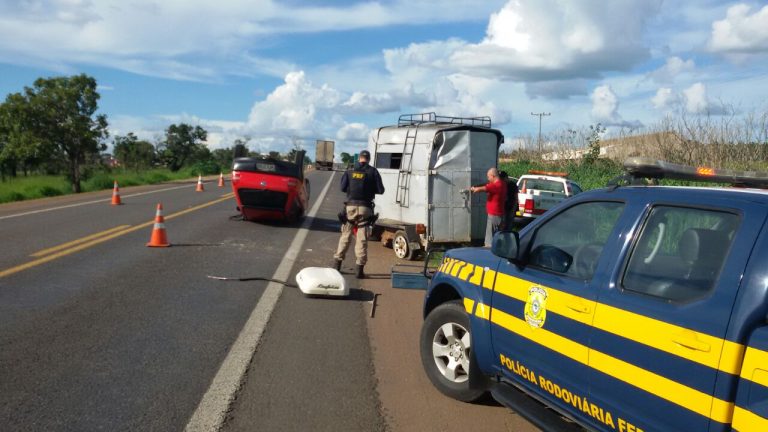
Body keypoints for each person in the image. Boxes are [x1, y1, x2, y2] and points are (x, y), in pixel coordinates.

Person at [333, 150, 385, 278]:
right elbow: (381, 190)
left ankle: (337, 264)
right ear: (369, 159)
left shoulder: (350, 171)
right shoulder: (373, 172)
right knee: (361, 239)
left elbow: (342, 188)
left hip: (350, 207)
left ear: (359, 159)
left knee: (345, 236)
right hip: (365, 208)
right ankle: (359, 270)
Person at [470, 167, 506, 247]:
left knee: (489, 240)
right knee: (498, 238)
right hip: (499, 215)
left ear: (493, 176)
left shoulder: (497, 185)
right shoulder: (502, 183)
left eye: (488, 177)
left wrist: (476, 189)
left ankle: (488, 253)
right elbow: (488, 185)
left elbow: (485, 188)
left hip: (494, 216)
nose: (488, 178)